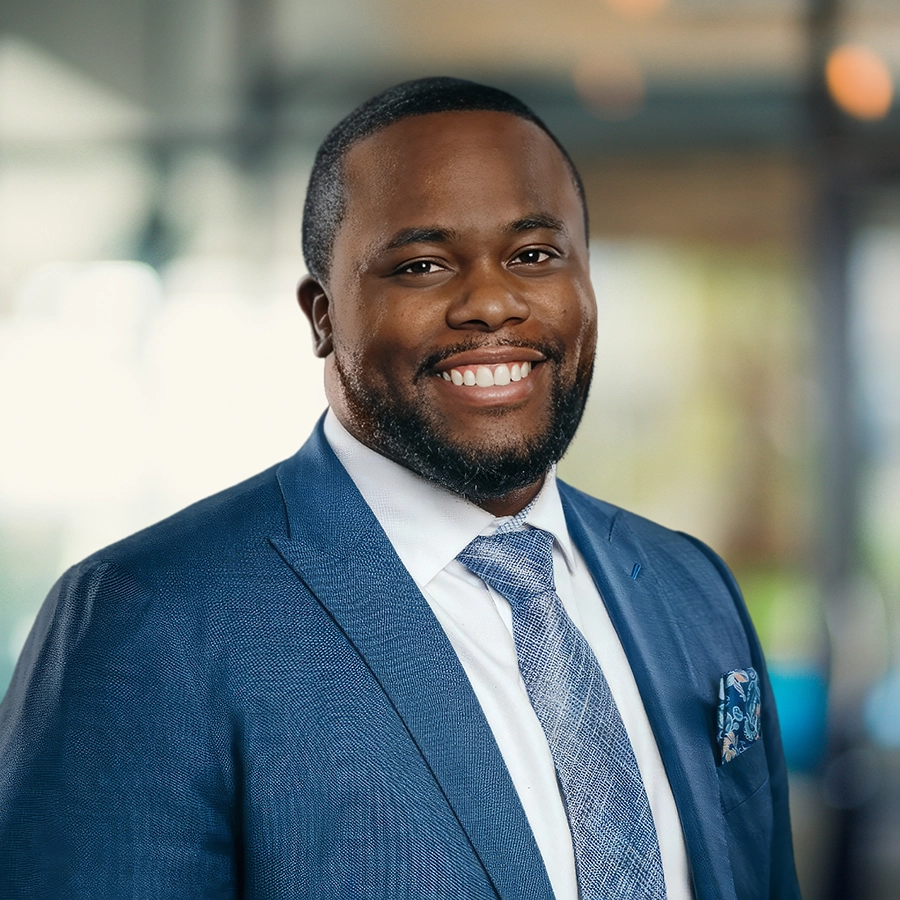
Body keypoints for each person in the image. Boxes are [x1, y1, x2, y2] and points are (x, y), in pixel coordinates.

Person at [0, 77, 800, 899]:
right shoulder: (147, 617)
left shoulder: (690, 587)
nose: (492, 302)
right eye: (421, 265)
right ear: (321, 316)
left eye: (533, 255)